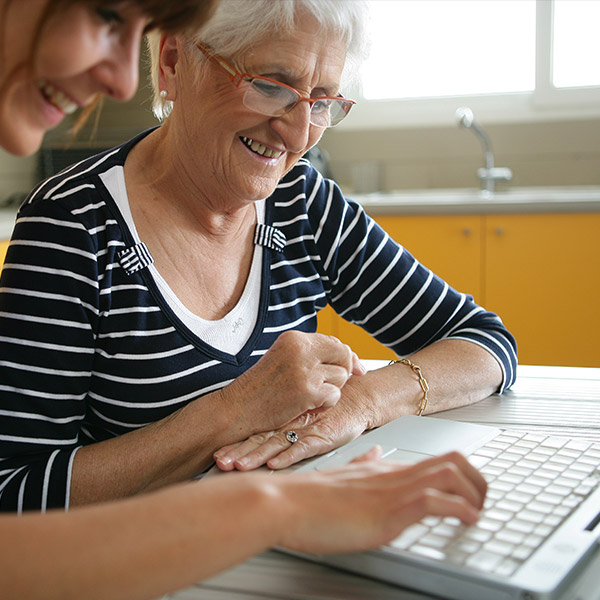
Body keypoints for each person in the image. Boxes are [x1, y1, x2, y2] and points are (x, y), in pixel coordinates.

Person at [0, 1, 490, 599]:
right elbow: (13, 498)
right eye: (271, 86)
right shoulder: (72, 224)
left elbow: (484, 341)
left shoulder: (302, 204)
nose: (298, 131)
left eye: (323, 101)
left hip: (288, 564)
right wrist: (233, 412)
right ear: (176, 63)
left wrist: (361, 402)